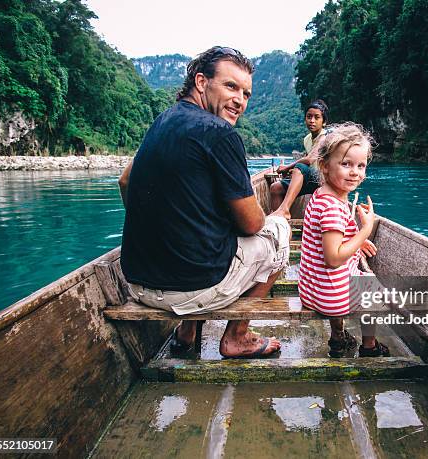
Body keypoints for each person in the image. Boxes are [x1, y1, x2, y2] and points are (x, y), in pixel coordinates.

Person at [118, 46, 290, 359]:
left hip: (139, 285)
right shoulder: (219, 132)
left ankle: (186, 333)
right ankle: (237, 336)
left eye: (246, 93)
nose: (240, 99)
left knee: (207, 237)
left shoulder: (162, 122)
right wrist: (272, 216)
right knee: (279, 232)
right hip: (192, 291)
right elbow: (252, 224)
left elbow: (126, 181)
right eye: (231, 86)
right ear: (201, 82)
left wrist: (157, 228)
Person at [298, 122, 390, 358]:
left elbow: (327, 242)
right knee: (372, 286)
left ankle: (338, 336)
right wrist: (365, 230)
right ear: (325, 166)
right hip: (328, 297)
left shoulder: (320, 196)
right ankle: (369, 347)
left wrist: (357, 242)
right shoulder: (333, 209)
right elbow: (333, 258)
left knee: (348, 276)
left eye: (361, 165)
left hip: (310, 289)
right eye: (346, 164)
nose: (355, 172)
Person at [270, 100, 329, 219]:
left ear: (324, 122)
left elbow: (309, 160)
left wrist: (287, 168)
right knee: (275, 188)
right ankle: (280, 224)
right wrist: (294, 173)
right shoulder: (307, 139)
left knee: (300, 167)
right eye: (309, 117)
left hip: (324, 180)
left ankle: (284, 208)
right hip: (312, 180)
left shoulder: (325, 136)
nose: (312, 121)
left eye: (317, 117)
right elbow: (310, 164)